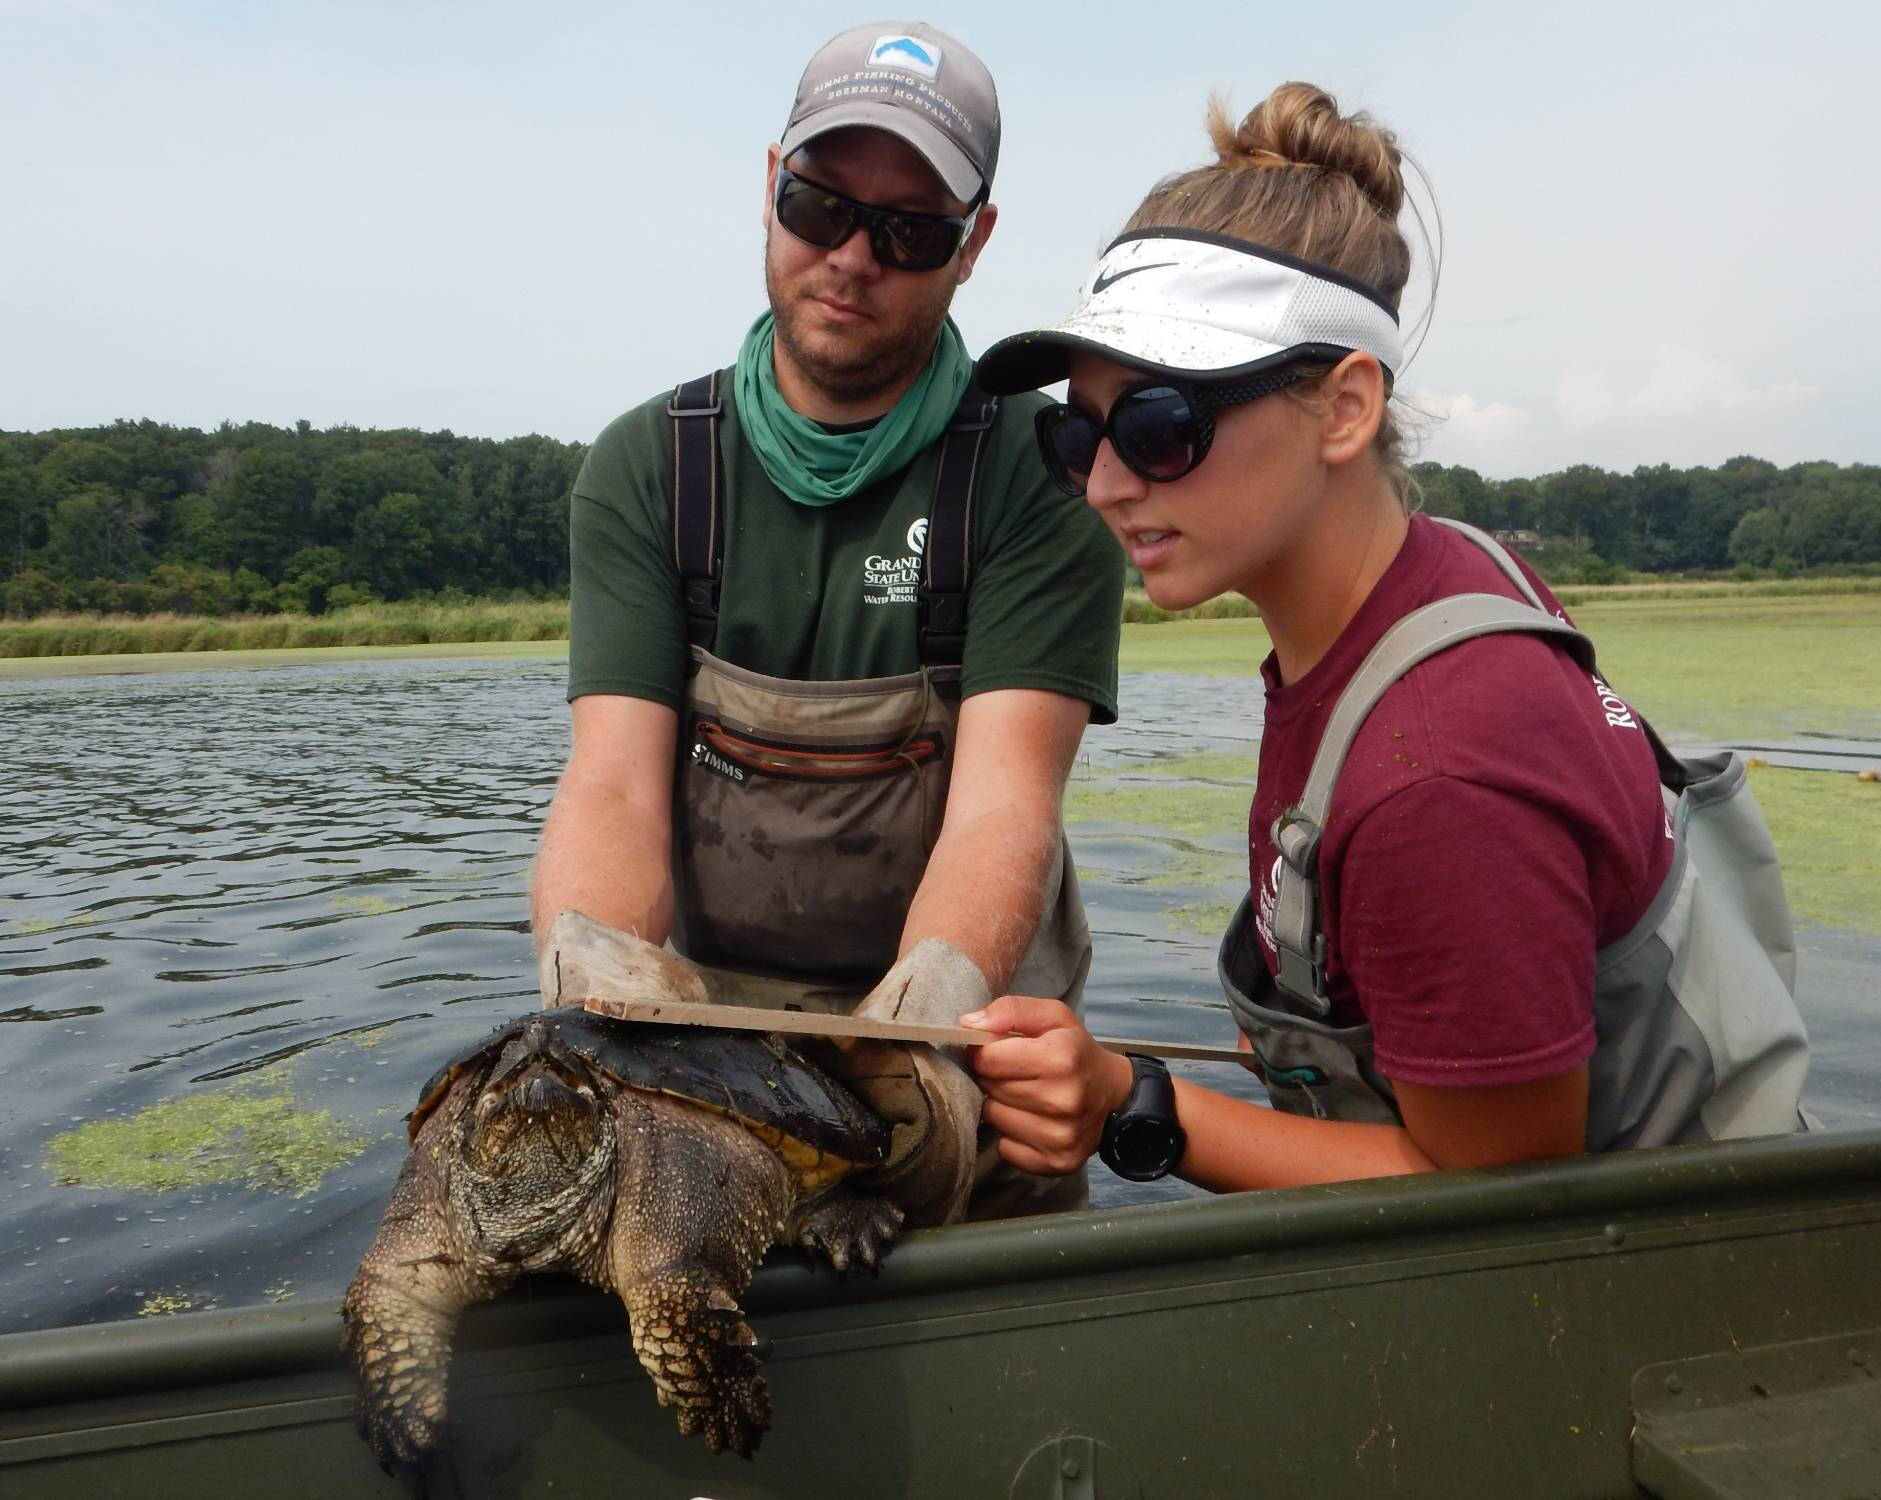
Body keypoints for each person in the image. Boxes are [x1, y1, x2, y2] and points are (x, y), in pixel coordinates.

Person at [965, 82, 1809, 1192]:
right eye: (1075, 435)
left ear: (1347, 408)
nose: (1106, 483)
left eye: (1160, 423)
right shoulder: (1430, 582)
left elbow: (1487, 1196)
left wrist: (1139, 1105)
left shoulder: (1441, 770)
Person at [531, 22, 1125, 1216]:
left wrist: (912, 1039)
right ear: (769, 187)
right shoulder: (649, 467)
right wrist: (604, 1000)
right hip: (707, 1054)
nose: (853, 257)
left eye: (910, 231)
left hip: (948, 1044)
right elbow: (612, 788)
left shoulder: (1043, 469)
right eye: (819, 205)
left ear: (974, 247)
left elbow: (1006, 803)